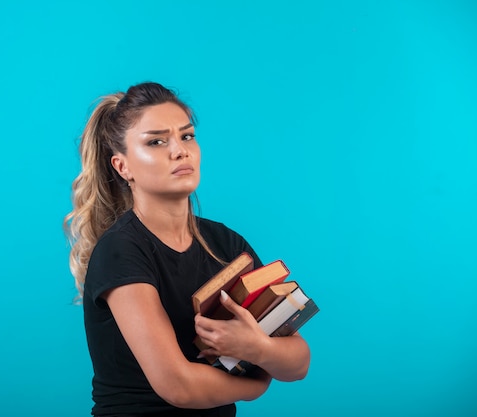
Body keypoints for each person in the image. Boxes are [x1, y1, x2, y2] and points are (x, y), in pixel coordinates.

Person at [63, 82, 311, 416]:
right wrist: (255, 385)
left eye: (187, 136)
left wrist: (257, 346)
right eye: (156, 141)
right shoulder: (120, 251)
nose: (180, 150)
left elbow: (298, 361)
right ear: (123, 167)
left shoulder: (228, 246)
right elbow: (178, 386)